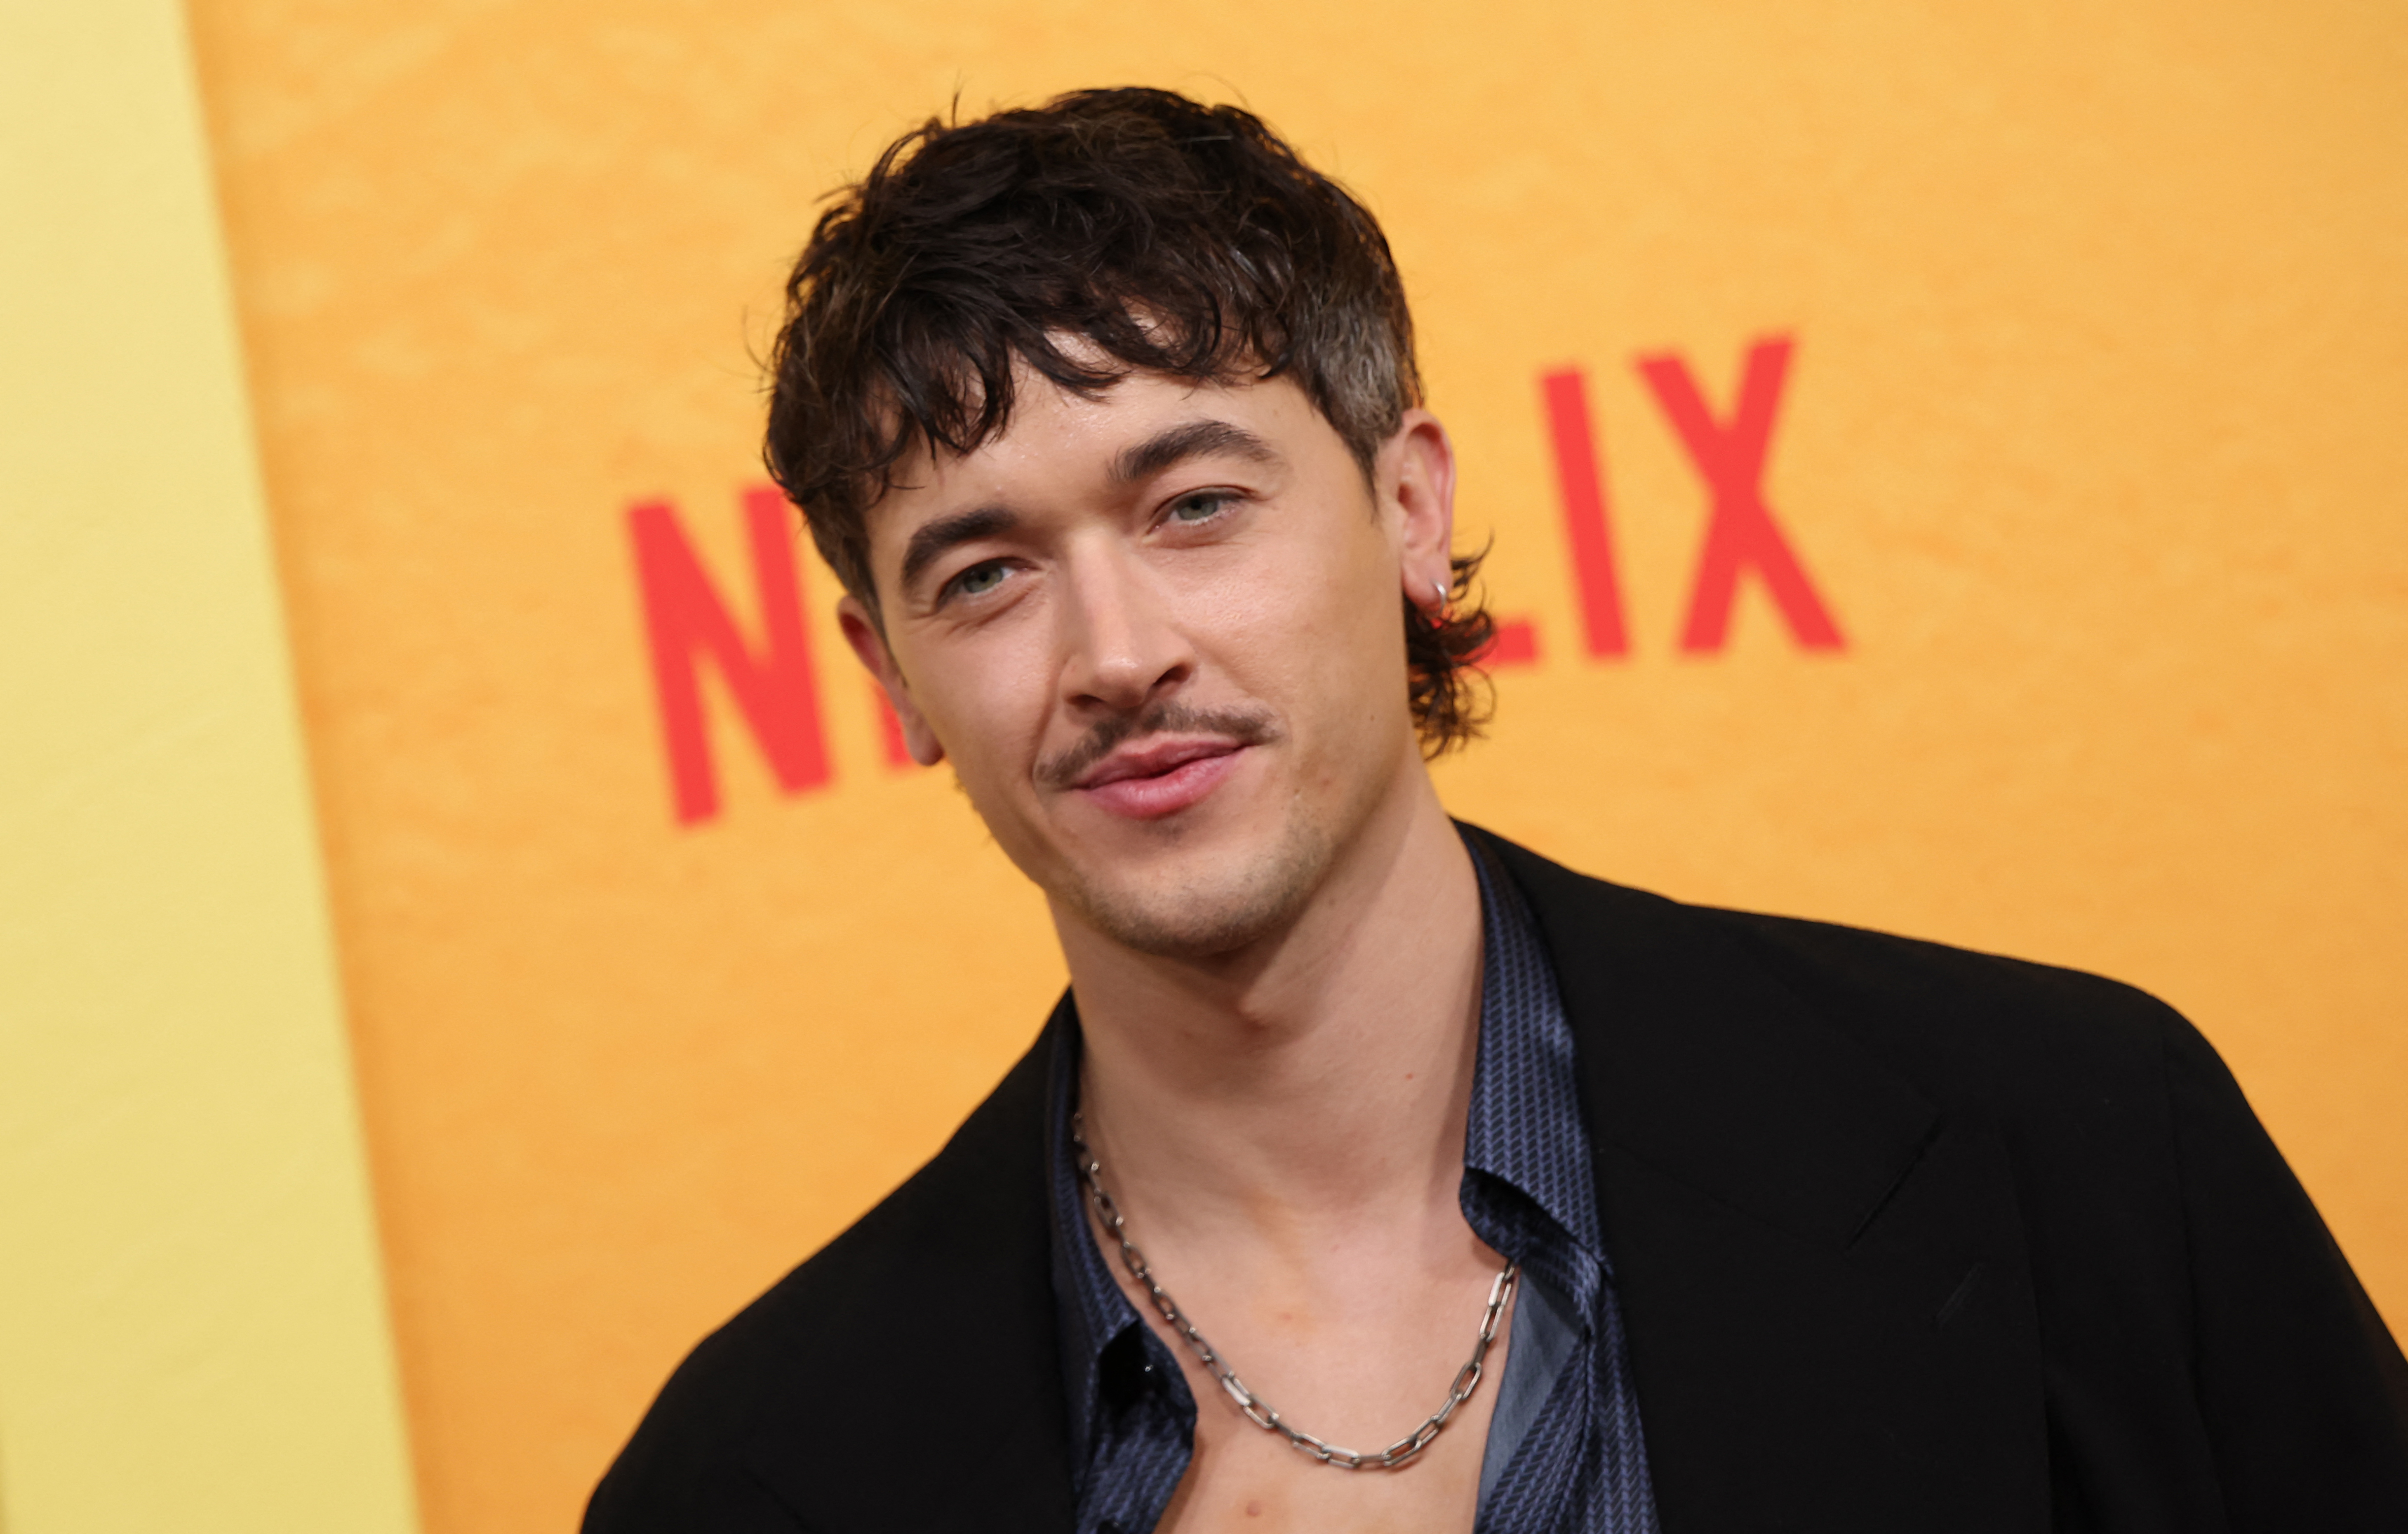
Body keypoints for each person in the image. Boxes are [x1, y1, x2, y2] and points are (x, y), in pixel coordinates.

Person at [584, 87, 2408, 1534]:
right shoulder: (747, 1477)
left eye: (1194, 503)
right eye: (982, 574)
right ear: (886, 671)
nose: (1113, 651)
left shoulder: (2074, 1152)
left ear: (1405, 505)